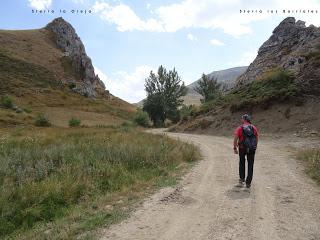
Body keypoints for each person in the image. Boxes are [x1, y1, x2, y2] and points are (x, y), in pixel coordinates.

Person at [233, 114, 259, 188]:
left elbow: (235, 138)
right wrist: (255, 146)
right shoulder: (254, 127)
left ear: (244, 119)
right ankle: (248, 183)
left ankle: (242, 179)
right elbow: (257, 137)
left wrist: (235, 147)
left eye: (242, 119)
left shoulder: (240, 128)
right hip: (251, 148)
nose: (241, 120)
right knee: (250, 164)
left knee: (242, 162)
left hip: (242, 148)